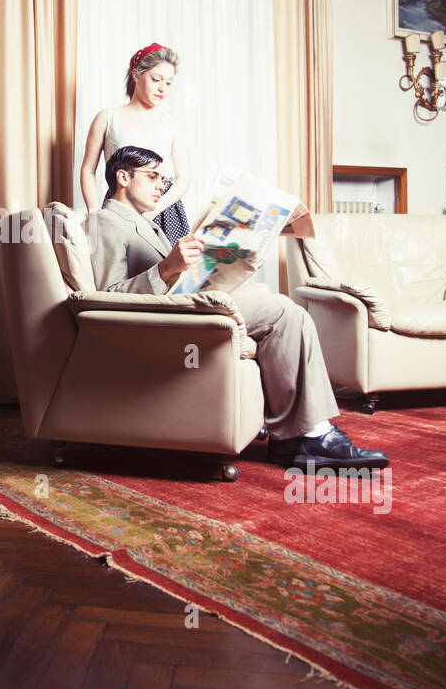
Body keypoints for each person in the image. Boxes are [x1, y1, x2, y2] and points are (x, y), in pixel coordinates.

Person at [87, 145, 389, 471]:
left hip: (183, 306)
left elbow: (176, 275)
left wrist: (234, 261)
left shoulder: (148, 224)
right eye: (153, 176)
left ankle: (296, 437)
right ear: (123, 177)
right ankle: (310, 436)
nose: (162, 185)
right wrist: (166, 268)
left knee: (284, 309)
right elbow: (107, 296)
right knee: (284, 314)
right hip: (166, 321)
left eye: (163, 177)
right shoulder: (105, 222)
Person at [79, 43, 192, 244]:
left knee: (167, 272)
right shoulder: (108, 118)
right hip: (119, 207)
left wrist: (153, 211)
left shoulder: (172, 124)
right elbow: (88, 169)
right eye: (156, 79)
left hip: (163, 210)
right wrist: (94, 213)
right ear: (135, 74)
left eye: (168, 83)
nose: (162, 88)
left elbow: (184, 178)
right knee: (116, 270)